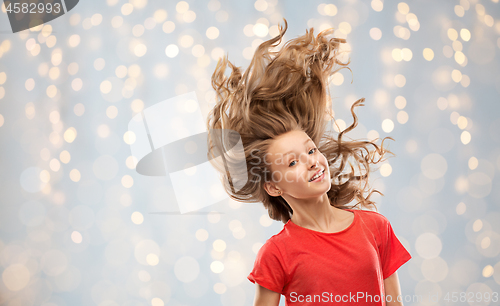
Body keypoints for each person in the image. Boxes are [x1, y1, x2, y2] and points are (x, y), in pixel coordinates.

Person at [206, 19, 412, 306]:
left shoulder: (376, 227)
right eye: (292, 163)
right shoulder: (276, 254)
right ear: (273, 187)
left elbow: (395, 303)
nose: (313, 162)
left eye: (312, 151)